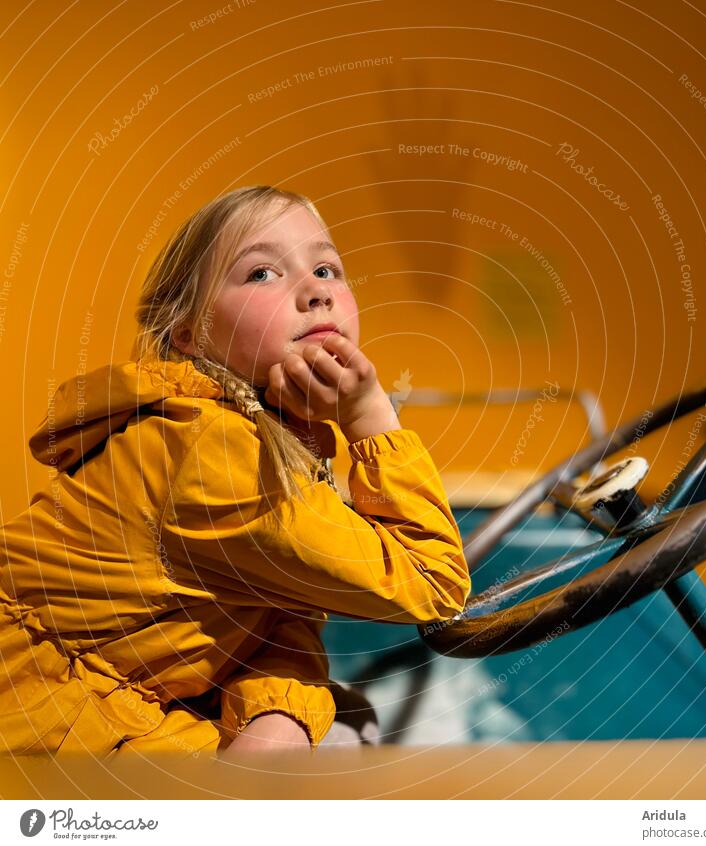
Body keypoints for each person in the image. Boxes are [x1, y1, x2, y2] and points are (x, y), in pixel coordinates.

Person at [0, 185, 471, 760]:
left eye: (326, 268)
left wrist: (280, 713)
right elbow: (434, 583)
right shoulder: (215, 452)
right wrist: (371, 415)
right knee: (345, 740)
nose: (316, 291)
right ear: (190, 335)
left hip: (91, 705)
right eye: (262, 274)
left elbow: (278, 614)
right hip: (40, 730)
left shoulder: (257, 436)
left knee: (340, 720)